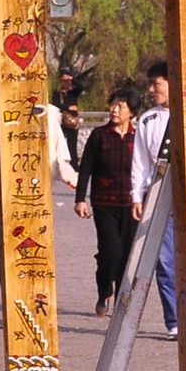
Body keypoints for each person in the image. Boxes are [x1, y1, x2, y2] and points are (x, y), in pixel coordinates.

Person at [74, 89, 141, 316]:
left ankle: (123, 297)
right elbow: (86, 169)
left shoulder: (138, 136)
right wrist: (80, 199)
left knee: (126, 253)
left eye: (121, 106)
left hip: (132, 204)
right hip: (104, 202)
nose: (114, 110)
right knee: (109, 251)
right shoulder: (99, 135)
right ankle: (104, 292)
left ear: (131, 112)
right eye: (113, 104)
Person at [130, 60, 177, 336]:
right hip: (157, 192)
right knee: (164, 258)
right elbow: (140, 162)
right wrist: (137, 195)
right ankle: (173, 320)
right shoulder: (148, 119)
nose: (151, 89)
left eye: (156, 83)